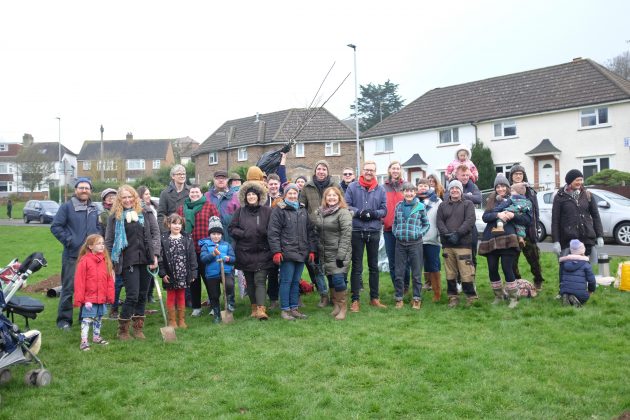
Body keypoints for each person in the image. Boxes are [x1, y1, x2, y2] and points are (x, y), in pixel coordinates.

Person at [104, 185, 160, 340]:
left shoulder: (146, 212)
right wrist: (109, 262)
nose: (127, 200)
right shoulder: (115, 217)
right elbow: (109, 240)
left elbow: (155, 234)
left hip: (147, 259)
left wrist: (155, 255)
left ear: (135, 197)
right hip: (128, 261)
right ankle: (123, 330)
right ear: (119, 200)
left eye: (130, 197)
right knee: (132, 295)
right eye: (124, 198)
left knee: (142, 295)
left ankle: (138, 328)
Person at [51, 177, 101, 330]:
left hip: (90, 256)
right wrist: (70, 241)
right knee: (68, 288)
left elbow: (98, 227)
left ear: (90, 191)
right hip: (72, 255)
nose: (84, 190)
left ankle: (85, 318)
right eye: (81, 188)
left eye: (87, 188)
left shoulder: (94, 208)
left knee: (88, 289)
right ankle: (64, 321)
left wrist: (98, 240)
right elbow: (56, 227)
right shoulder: (66, 207)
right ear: (76, 190)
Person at [478, 174, 532, 309]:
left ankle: (514, 297)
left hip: (509, 239)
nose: (500, 189)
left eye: (503, 186)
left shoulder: (516, 199)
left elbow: (527, 220)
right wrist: (498, 214)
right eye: (498, 186)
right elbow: (485, 217)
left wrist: (513, 215)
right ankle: (499, 295)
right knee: (492, 268)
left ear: (508, 187)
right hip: (491, 239)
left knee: (507, 268)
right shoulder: (491, 200)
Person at [268, 184, 317, 320]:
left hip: (302, 252)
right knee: (286, 281)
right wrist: (276, 251)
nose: (293, 195)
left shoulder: (302, 209)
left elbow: (310, 231)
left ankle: (294, 308)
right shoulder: (279, 210)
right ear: (285, 194)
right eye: (290, 193)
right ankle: (285, 310)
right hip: (287, 252)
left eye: (295, 193)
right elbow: (273, 233)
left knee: (296, 282)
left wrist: (312, 250)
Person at [345, 160, 388, 312]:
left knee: (373, 266)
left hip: (374, 231)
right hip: (356, 230)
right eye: (366, 169)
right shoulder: (352, 187)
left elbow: (384, 210)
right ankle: (355, 300)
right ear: (362, 171)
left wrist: (374, 214)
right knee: (357, 267)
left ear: (375, 172)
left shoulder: (380, 189)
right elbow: (346, 204)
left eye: (372, 170)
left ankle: (374, 298)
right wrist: (358, 212)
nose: (369, 172)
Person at [229, 181, 274, 320]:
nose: (251, 197)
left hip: (263, 252)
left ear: (259, 196)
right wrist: (243, 233)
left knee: (260, 280)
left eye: (254, 194)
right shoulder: (240, 212)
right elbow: (231, 228)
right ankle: (254, 307)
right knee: (250, 282)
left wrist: (265, 232)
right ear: (245, 197)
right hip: (245, 252)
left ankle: (261, 309)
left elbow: (273, 229)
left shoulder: (267, 211)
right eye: (249, 195)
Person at [299, 160, 341, 307]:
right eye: (319, 169)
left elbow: (341, 204)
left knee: (331, 265)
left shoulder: (335, 186)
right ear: (315, 171)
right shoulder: (307, 187)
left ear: (327, 171)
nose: (321, 171)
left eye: (324, 169)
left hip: (331, 229)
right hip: (314, 231)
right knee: (317, 266)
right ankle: (323, 295)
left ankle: (334, 295)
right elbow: (301, 207)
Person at [176, 184, 220, 317]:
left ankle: (214, 305)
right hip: (189, 250)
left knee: (209, 279)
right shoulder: (181, 209)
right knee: (193, 280)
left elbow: (216, 226)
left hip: (206, 250)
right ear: (189, 194)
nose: (194, 194)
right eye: (192, 192)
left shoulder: (209, 206)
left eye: (197, 192)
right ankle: (196, 307)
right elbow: (177, 227)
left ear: (202, 194)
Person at [436, 180, 477, 307]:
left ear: (461, 190)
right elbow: (439, 221)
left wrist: (458, 234)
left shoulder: (468, 204)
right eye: (452, 188)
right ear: (449, 190)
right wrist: (447, 234)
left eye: (457, 188)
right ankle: (453, 297)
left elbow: (470, 220)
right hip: (448, 245)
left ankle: (471, 296)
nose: (454, 190)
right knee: (450, 272)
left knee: (466, 271)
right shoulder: (442, 205)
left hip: (463, 244)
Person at [313, 187, 352, 320]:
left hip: (339, 253)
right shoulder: (321, 212)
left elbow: (346, 235)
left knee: (338, 280)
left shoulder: (343, 212)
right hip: (325, 253)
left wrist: (341, 255)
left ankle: (343, 307)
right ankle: (336, 305)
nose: (331, 198)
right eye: (328, 196)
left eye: (334, 195)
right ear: (325, 198)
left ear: (339, 197)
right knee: (331, 280)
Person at [551, 169, 604, 266]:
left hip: (587, 239)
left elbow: (596, 216)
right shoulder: (559, 197)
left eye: (581, 180)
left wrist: (599, 235)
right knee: (567, 269)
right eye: (577, 180)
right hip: (568, 240)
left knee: (587, 269)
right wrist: (556, 241)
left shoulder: (588, 195)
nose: (580, 182)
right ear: (570, 181)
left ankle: (586, 282)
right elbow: (555, 220)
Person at [205, 170, 241, 309]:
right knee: (212, 272)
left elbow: (239, 217)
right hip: (211, 240)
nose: (221, 181)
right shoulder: (207, 196)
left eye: (223, 178)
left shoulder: (235, 197)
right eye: (218, 178)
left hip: (229, 239)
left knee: (229, 275)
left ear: (228, 180)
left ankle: (230, 302)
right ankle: (213, 302)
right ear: (214, 180)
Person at [73, 234, 115, 351]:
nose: (102, 246)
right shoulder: (84, 261)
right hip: (89, 299)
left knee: (99, 318)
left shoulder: (105, 261)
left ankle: (96, 337)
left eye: (103, 243)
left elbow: (109, 281)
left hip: (101, 297)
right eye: (98, 243)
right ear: (90, 246)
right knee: (87, 319)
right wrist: (80, 298)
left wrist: (110, 296)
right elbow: (79, 281)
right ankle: (84, 341)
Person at [393, 182, 430, 309]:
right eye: (406, 191)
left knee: (416, 273)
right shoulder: (398, 206)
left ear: (415, 193)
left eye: (411, 191)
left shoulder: (420, 206)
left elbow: (426, 224)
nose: (409, 193)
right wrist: (396, 232)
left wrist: (419, 233)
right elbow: (394, 223)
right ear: (403, 193)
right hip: (400, 244)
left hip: (415, 244)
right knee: (399, 273)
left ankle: (416, 298)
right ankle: (398, 298)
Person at [158, 213, 198, 329]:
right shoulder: (163, 239)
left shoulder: (187, 238)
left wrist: (193, 272)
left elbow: (192, 256)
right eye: (174, 223)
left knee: (181, 295)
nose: (177, 226)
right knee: (171, 296)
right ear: (168, 224)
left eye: (179, 224)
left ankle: (181, 320)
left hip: (184, 273)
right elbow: (160, 259)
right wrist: (163, 273)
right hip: (170, 273)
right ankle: (172, 321)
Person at [508, 165, 545, 289]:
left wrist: (536, 227)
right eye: (515, 174)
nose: (518, 176)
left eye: (520, 173)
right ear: (511, 176)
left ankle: (538, 280)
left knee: (534, 258)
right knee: (512, 261)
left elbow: (535, 212)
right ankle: (518, 282)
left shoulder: (530, 191)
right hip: (512, 231)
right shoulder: (507, 190)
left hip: (528, 231)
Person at [199, 216, 236, 324]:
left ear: (221, 235)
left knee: (229, 285)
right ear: (210, 234)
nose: (216, 236)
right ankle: (216, 313)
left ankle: (230, 302)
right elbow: (203, 259)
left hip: (226, 271)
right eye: (213, 234)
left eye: (218, 234)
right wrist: (213, 254)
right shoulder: (205, 246)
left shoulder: (226, 245)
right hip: (212, 274)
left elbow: (233, 258)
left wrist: (229, 259)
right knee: (214, 295)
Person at [382, 161, 410, 294]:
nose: (395, 170)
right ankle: (397, 287)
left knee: (405, 261)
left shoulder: (406, 186)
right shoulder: (383, 188)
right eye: (393, 168)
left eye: (398, 168)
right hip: (388, 230)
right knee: (392, 261)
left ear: (400, 170)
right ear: (389, 170)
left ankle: (406, 286)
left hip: (404, 230)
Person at [416, 178, 443, 302]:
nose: (422, 188)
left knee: (434, 266)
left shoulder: (437, 201)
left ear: (429, 186)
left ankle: (437, 293)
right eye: (420, 185)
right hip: (416, 239)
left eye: (425, 185)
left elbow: (441, 219)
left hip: (432, 239)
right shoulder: (413, 201)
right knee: (417, 267)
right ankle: (416, 294)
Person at [489, 182, 532, 248]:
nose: (511, 193)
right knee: (520, 228)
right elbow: (527, 209)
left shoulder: (512, 198)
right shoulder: (527, 201)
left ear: (517, 192)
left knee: (501, 219)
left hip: (509, 212)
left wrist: (495, 211)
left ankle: (499, 227)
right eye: (498, 187)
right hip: (520, 215)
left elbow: (504, 204)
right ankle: (521, 239)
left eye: (512, 191)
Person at [137, 185, 160, 302]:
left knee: (153, 268)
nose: (149, 196)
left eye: (149, 193)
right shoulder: (139, 207)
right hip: (145, 242)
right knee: (146, 269)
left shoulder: (154, 206)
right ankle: (144, 295)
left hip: (155, 239)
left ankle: (150, 294)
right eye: (146, 194)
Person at [559, 239, 596, 307]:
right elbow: (592, 281)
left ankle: (566, 296)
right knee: (585, 296)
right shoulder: (586, 264)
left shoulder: (564, 262)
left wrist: (561, 289)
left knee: (566, 291)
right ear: (582, 251)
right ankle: (576, 298)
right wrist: (591, 291)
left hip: (564, 290)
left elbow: (561, 278)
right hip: (580, 293)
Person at [158, 164, 190, 232]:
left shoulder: (191, 192)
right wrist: (165, 232)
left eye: (184, 174)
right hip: (171, 231)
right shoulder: (165, 193)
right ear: (173, 176)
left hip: (187, 231)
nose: (182, 176)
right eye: (179, 174)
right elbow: (161, 216)